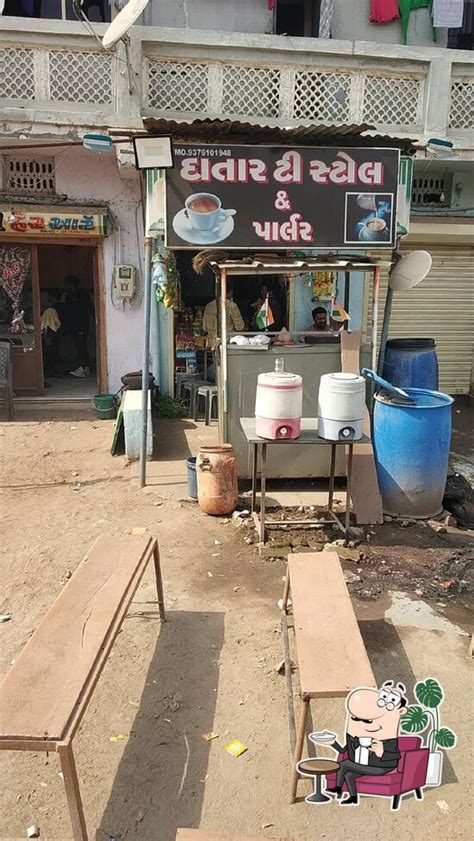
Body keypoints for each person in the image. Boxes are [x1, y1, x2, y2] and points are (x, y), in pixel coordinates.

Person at [322, 681, 408, 806]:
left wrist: (382, 752)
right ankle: (353, 797)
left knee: (344, 764)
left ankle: (337, 788)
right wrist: (332, 743)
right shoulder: (356, 738)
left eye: (368, 721)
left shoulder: (387, 740)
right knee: (349, 775)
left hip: (381, 767)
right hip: (363, 765)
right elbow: (343, 750)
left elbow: (396, 756)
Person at [62, 275, 94, 378]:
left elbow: (69, 312)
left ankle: (82, 368)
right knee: (81, 346)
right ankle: (86, 368)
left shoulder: (78, 296)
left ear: (71, 284)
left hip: (80, 325)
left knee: (81, 347)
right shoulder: (72, 296)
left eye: (67, 284)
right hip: (78, 325)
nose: (65, 286)